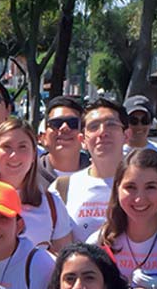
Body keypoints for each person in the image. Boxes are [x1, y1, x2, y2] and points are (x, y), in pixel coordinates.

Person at [0, 117, 72, 253]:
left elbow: (63, 260)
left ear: (34, 154)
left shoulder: (52, 204)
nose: (14, 155)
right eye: (6, 147)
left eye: (22, 147)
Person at [89, 148, 157, 289]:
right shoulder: (98, 243)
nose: (139, 199)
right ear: (117, 190)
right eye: (130, 187)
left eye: (151, 187)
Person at [53, 98, 126, 241]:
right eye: (93, 127)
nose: (103, 132)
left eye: (111, 125)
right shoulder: (62, 189)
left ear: (126, 135)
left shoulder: (150, 184)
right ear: (83, 140)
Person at [37, 95, 91, 187]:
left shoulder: (101, 176)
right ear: (43, 137)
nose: (64, 128)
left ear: (84, 136)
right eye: (56, 123)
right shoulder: (26, 177)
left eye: (72, 123)